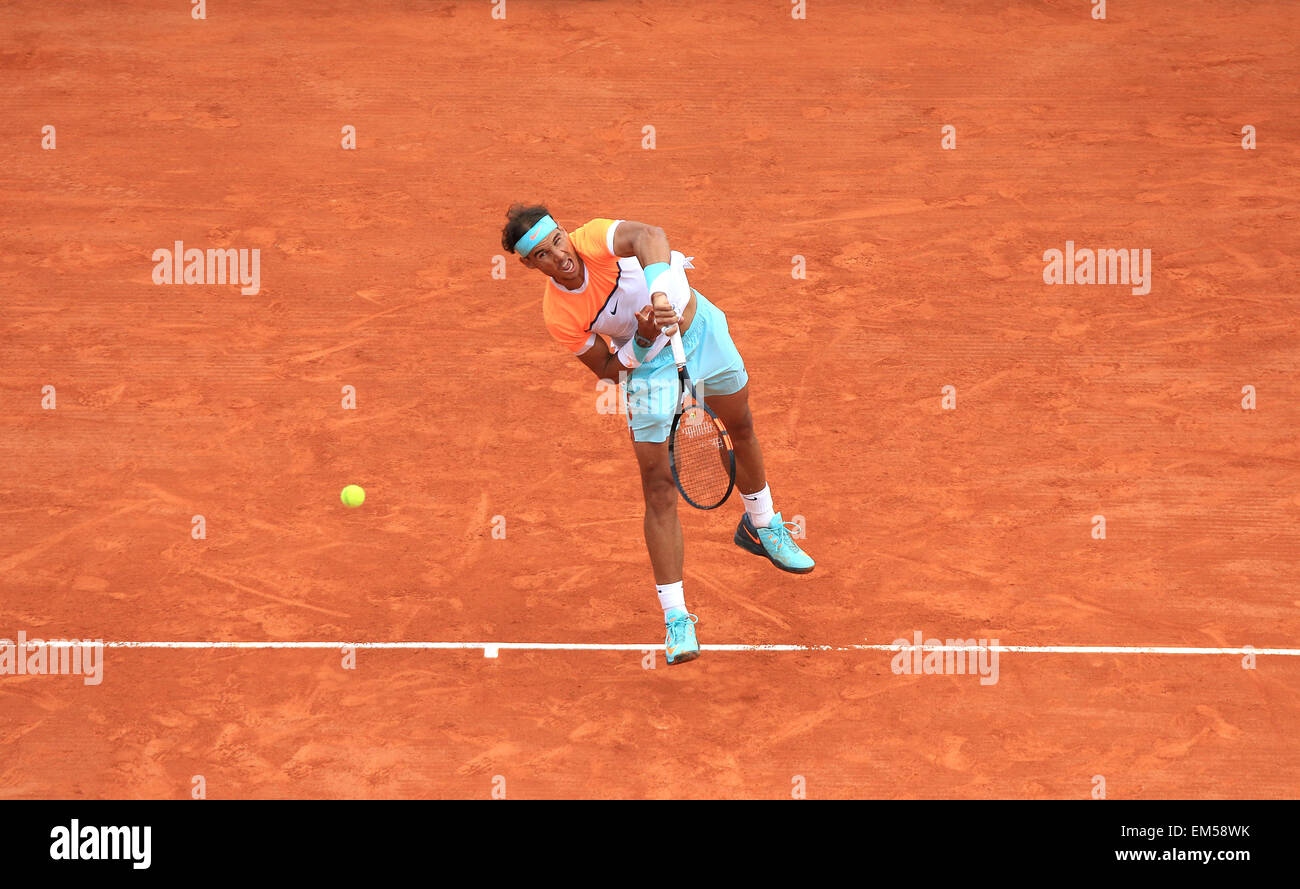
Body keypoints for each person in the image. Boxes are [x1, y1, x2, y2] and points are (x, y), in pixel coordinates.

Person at [501, 204, 815, 665]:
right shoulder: (559, 314)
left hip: (699, 330)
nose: (559, 256)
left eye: (556, 241)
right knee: (658, 484)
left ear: (565, 233)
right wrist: (643, 340)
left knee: (741, 424)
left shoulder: (594, 239)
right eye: (542, 255)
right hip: (648, 373)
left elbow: (650, 235)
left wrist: (662, 295)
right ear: (530, 265)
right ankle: (676, 619)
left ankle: (761, 524)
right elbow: (609, 370)